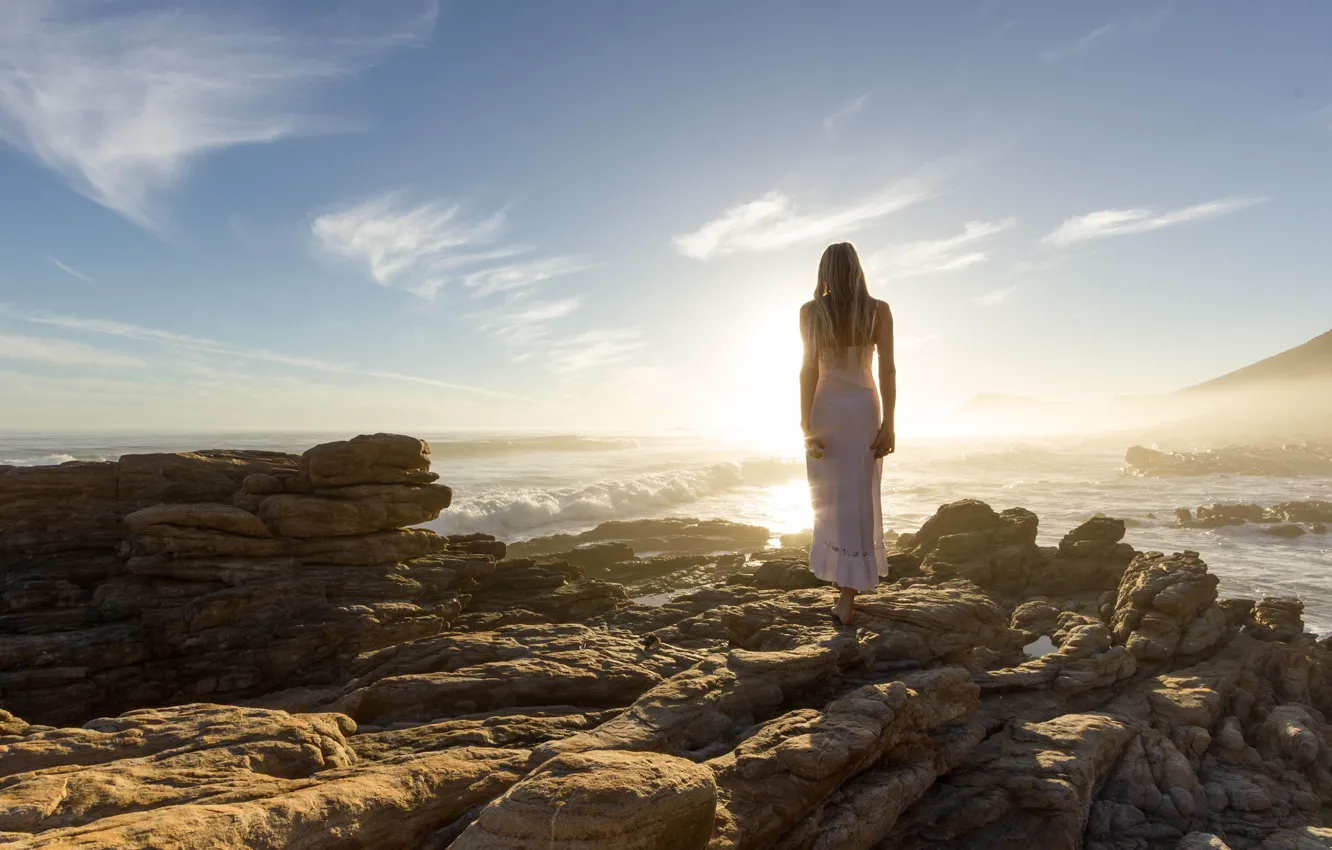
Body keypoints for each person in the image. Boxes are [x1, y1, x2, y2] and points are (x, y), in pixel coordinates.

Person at [799, 241, 896, 627]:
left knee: (830, 497)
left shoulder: (811, 312)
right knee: (858, 496)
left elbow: (808, 370)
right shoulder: (878, 310)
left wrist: (805, 425)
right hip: (863, 412)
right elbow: (887, 369)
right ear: (856, 269)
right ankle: (847, 591)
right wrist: (889, 423)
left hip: (826, 411)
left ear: (824, 271)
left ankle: (844, 589)